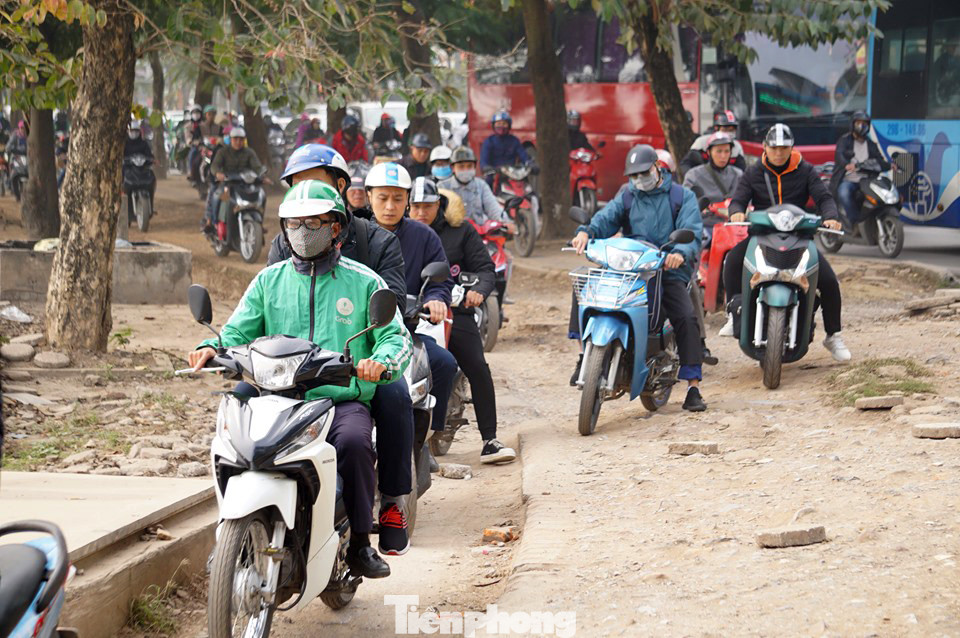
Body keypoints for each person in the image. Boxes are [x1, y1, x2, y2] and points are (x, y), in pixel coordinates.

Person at [189, 180, 410, 578]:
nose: (302, 231)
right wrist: (211, 347)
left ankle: (360, 542)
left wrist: (380, 361)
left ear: (336, 227)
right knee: (234, 440)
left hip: (338, 399)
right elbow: (236, 331)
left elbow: (394, 337)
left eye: (313, 223)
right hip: (276, 396)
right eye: (294, 224)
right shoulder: (268, 281)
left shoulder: (364, 281)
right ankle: (229, 536)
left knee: (355, 443)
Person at [265, 145, 413, 555]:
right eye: (296, 185)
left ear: (340, 188)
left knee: (394, 395)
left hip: (357, 362)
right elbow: (261, 308)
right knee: (238, 405)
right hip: (291, 373)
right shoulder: (282, 248)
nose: (303, 228)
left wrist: (375, 359)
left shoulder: (375, 243)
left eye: (314, 182)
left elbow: (392, 306)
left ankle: (392, 502)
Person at [569, 144, 708, 412]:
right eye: (633, 175)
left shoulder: (682, 196)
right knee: (586, 289)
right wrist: (586, 232)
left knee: (686, 316)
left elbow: (691, 231)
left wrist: (679, 254)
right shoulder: (627, 194)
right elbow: (605, 219)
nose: (639, 179)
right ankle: (583, 355)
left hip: (666, 270)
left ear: (657, 167)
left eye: (643, 173)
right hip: (628, 269)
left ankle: (693, 386)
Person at [721, 123, 851, 362]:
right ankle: (733, 313)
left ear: (792, 148)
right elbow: (738, 199)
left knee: (829, 282)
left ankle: (833, 335)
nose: (779, 153)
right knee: (732, 261)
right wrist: (736, 212)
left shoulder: (806, 170)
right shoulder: (753, 172)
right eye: (774, 148)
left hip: (799, 237)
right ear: (765, 147)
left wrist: (831, 216)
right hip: (761, 235)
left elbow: (824, 197)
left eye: (784, 148)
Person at [409, 178, 516, 463]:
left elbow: (485, 270)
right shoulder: (397, 234)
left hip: (453, 312)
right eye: (415, 206)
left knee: (477, 366)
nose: (421, 212)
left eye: (427, 206)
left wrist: (478, 292)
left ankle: (490, 439)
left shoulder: (461, 231)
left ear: (439, 205)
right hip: (405, 315)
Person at [366, 162, 459, 451]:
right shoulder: (353, 234)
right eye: (382, 197)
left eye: (398, 198)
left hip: (404, 330)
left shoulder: (424, 235)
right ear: (369, 196)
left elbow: (441, 280)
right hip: (356, 334)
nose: (390, 206)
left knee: (444, 364)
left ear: (408, 199)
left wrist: (436, 298)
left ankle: (428, 436)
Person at [829, 111, 890, 226]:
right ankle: (855, 223)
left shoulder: (871, 144)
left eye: (864, 123)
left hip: (868, 181)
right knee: (844, 193)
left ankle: (872, 221)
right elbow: (839, 155)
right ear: (852, 124)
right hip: (849, 179)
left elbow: (879, 160)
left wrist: (890, 165)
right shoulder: (844, 140)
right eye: (858, 123)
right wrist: (847, 164)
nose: (862, 126)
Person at [437, 146, 515, 230]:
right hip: (452, 232)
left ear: (474, 167)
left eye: (469, 166)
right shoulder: (442, 187)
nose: (465, 170)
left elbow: (493, 208)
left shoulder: (481, 185)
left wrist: (505, 222)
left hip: (479, 232)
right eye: (461, 166)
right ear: (453, 168)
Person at [203, 127, 262, 234]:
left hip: (244, 183)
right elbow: (215, 165)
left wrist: (262, 175)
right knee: (217, 196)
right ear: (231, 139)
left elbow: (257, 167)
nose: (238, 142)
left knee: (261, 195)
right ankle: (213, 222)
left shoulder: (249, 152)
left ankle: (258, 222)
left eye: (241, 139)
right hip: (227, 184)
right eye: (235, 139)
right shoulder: (222, 151)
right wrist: (218, 173)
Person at [682, 132, 743, 235]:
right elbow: (686, 205)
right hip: (705, 228)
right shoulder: (694, 175)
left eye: (727, 151)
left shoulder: (738, 174)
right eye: (719, 151)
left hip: (734, 228)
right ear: (709, 152)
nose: (723, 156)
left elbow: (747, 202)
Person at [679, 110, 746, 176]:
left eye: (731, 130)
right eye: (725, 129)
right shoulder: (701, 143)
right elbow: (686, 164)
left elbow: (741, 172)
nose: (723, 156)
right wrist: (694, 178)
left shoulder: (737, 147)